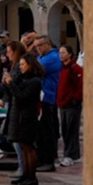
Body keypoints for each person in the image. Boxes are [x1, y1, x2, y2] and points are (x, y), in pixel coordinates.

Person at [8, 53, 45, 185]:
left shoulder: (35, 81)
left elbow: (22, 96)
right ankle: (25, 175)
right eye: (20, 65)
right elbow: (14, 91)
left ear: (30, 65)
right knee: (23, 147)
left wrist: (11, 84)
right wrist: (11, 81)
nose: (21, 67)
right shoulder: (23, 78)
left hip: (28, 117)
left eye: (23, 65)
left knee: (29, 147)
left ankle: (32, 176)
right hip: (19, 117)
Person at [34, 36, 63, 171]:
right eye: (36, 46)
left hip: (48, 98)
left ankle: (48, 160)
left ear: (47, 44)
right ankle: (41, 158)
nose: (37, 48)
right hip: (40, 98)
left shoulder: (52, 58)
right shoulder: (41, 57)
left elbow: (34, 69)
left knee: (47, 131)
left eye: (40, 45)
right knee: (40, 132)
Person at [57, 45, 83, 164]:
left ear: (70, 54)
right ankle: (68, 153)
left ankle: (71, 155)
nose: (61, 55)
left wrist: (74, 99)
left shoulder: (76, 69)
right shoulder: (62, 68)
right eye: (60, 53)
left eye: (63, 52)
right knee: (65, 129)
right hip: (62, 104)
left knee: (72, 129)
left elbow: (79, 87)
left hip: (72, 105)